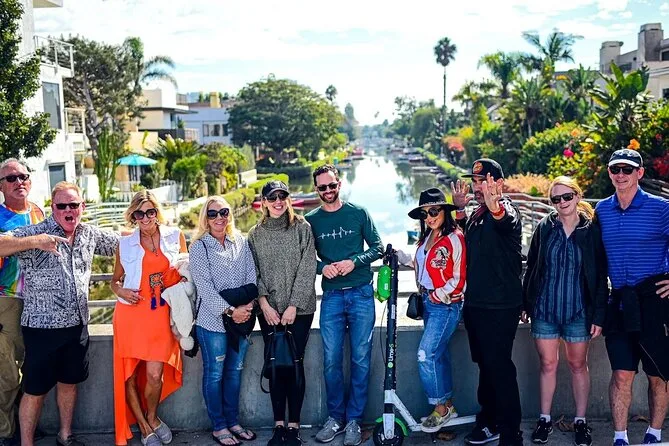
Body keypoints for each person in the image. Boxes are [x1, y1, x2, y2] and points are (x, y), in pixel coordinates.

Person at [0, 181, 119, 446]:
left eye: (73, 205)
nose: (68, 210)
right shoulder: (37, 232)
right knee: (35, 390)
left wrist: (160, 233)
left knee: (69, 383)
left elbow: (123, 244)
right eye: (62, 206)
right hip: (41, 329)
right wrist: (36, 242)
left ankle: (65, 435)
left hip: (77, 326)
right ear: (52, 208)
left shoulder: (89, 234)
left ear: (82, 207)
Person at [522, 176, 608, 446]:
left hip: (578, 311)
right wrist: (526, 302)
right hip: (545, 309)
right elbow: (532, 266)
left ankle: (580, 421)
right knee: (547, 365)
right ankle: (544, 419)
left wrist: (599, 315)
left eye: (567, 196)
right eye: (556, 199)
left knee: (578, 365)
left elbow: (600, 275)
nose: (562, 202)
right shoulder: (545, 227)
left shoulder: (591, 230)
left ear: (577, 196)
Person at [306, 164, 384, 446]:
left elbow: (378, 247)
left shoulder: (358, 212)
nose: (328, 191)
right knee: (331, 360)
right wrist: (322, 268)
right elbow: (304, 258)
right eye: (322, 187)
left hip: (362, 294)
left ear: (339, 184)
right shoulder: (310, 220)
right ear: (317, 189)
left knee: (361, 359)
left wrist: (355, 261)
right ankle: (336, 418)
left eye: (332, 185)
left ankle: (354, 421)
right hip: (332, 298)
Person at [595, 149, 669, 446]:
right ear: (610, 173)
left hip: (654, 300)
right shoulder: (602, 209)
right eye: (616, 169)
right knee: (621, 374)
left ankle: (654, 434)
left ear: (640, 173)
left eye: (627, 169)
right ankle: (620, 437)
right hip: (620, 301)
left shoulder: (661, 208)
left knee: (657, 374)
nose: (621, 175)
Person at [450, 159, 524, 446]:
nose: (478, 187)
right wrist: (459, 209)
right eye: (476, 181)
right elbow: (466, 238)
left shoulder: (505, 209)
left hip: (500, 306)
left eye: (484, 181)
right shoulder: (477, 214)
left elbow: (505, 220)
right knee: (486, 366)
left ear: (499, 183)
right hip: (477, 304)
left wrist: (495, 207)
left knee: (500, 368)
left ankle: (511, 434)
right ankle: (489, 421)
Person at [110, 190, 187, 446]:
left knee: (155, 375)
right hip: (131, 314)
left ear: (157, 212)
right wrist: (121, 291)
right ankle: (144, 428)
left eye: (150, 212)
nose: (145, 218)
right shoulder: (125, 243)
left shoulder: (175, 236)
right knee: (130, 375)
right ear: (133, 216)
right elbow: (114, 281)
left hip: (161, 314)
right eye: (139, 214)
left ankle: (152, 417)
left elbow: (185, 273)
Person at [248, 180, 317, 446]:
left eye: (282, 196)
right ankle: (278, 426)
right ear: (264, 202)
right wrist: (264, 305)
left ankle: (294, 427)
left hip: (300, 311)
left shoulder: (302, 227)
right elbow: (252, 271)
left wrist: (293, 306)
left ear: (288, 199)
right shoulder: (255, 234)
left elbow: (308, 267)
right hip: (269, 312)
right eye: (272, 197)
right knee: (276, 366)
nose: (278, 202)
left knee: (295, 364)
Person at [189, 196, 257, 446]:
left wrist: (247, 307)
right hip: (213, 324)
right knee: (215, 374)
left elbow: (252, 276)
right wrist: (231, 311)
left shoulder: (241, 241)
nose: (219, 218)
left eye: (224, 212)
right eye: (213, 213)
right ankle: (219, 426)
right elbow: (205, 289)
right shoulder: (199, 247)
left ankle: (233, 422)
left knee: (234, 373)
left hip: (241, 321)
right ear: (205, 218)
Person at [402, 188, 466, 433]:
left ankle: (440, 408)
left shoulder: (454, 237)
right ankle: (448, 405)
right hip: (429, 304)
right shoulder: (427, 238)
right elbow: (423, 265)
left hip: (445, 305)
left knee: (425, 355)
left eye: (434, 211)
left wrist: (438, 295)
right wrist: (400, 256)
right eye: (424, 213)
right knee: (437, 355)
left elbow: (459, 277)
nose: (429, 217)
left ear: (444, 211)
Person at [0, 159, 45, 446]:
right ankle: (5, 432)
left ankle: (25, 425)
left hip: (40, 301)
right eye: (11, 178)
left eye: (23, 176)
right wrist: (35, 240)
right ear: (1, 186)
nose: (19, 182)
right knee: (7, 371)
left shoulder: (38, 212)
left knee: (33, 368)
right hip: (8, 300)